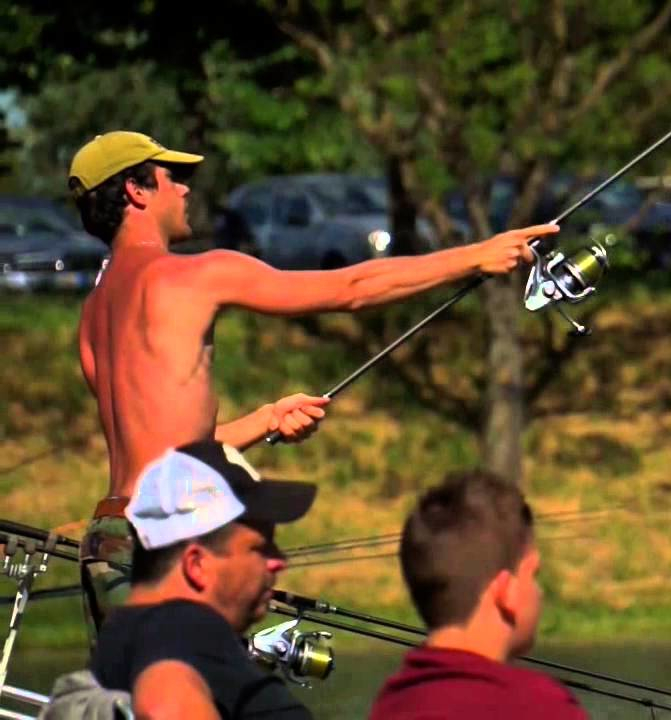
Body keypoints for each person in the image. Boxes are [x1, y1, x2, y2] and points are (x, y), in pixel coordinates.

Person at [67, 130, 560, 637]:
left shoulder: (91, 318)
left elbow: (161, 456)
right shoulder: (194, 276)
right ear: (136, 191)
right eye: (174, 178)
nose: (187, 190)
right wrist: (474, 257)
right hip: (167, 541)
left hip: (109, 537)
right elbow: (351, 288)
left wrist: (266, 420)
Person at [90, 439, 316, 720]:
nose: (278, 560)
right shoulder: (181, 636)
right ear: (197, 564)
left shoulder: (128, 633)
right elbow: (163, 708)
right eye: (260, 547)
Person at [369, 470, 588, 719]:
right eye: (532, 575)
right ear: (507, 592)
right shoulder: (543, 707)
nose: (539, 591)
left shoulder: (391, 704)